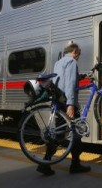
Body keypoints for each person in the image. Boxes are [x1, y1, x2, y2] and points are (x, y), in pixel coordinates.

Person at [36, 43, 91, 176]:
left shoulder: (58, 62)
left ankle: (45, 163)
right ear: (75, 51)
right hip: (67, 102)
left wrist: (82, 76)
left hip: (59, 101)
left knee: (59, 134)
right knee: (76, 134)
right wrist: (71, 104)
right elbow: (70, 83)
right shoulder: (72, 61)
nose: (78, 57)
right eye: (79, 54)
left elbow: (62, 80)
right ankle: (75, 165)